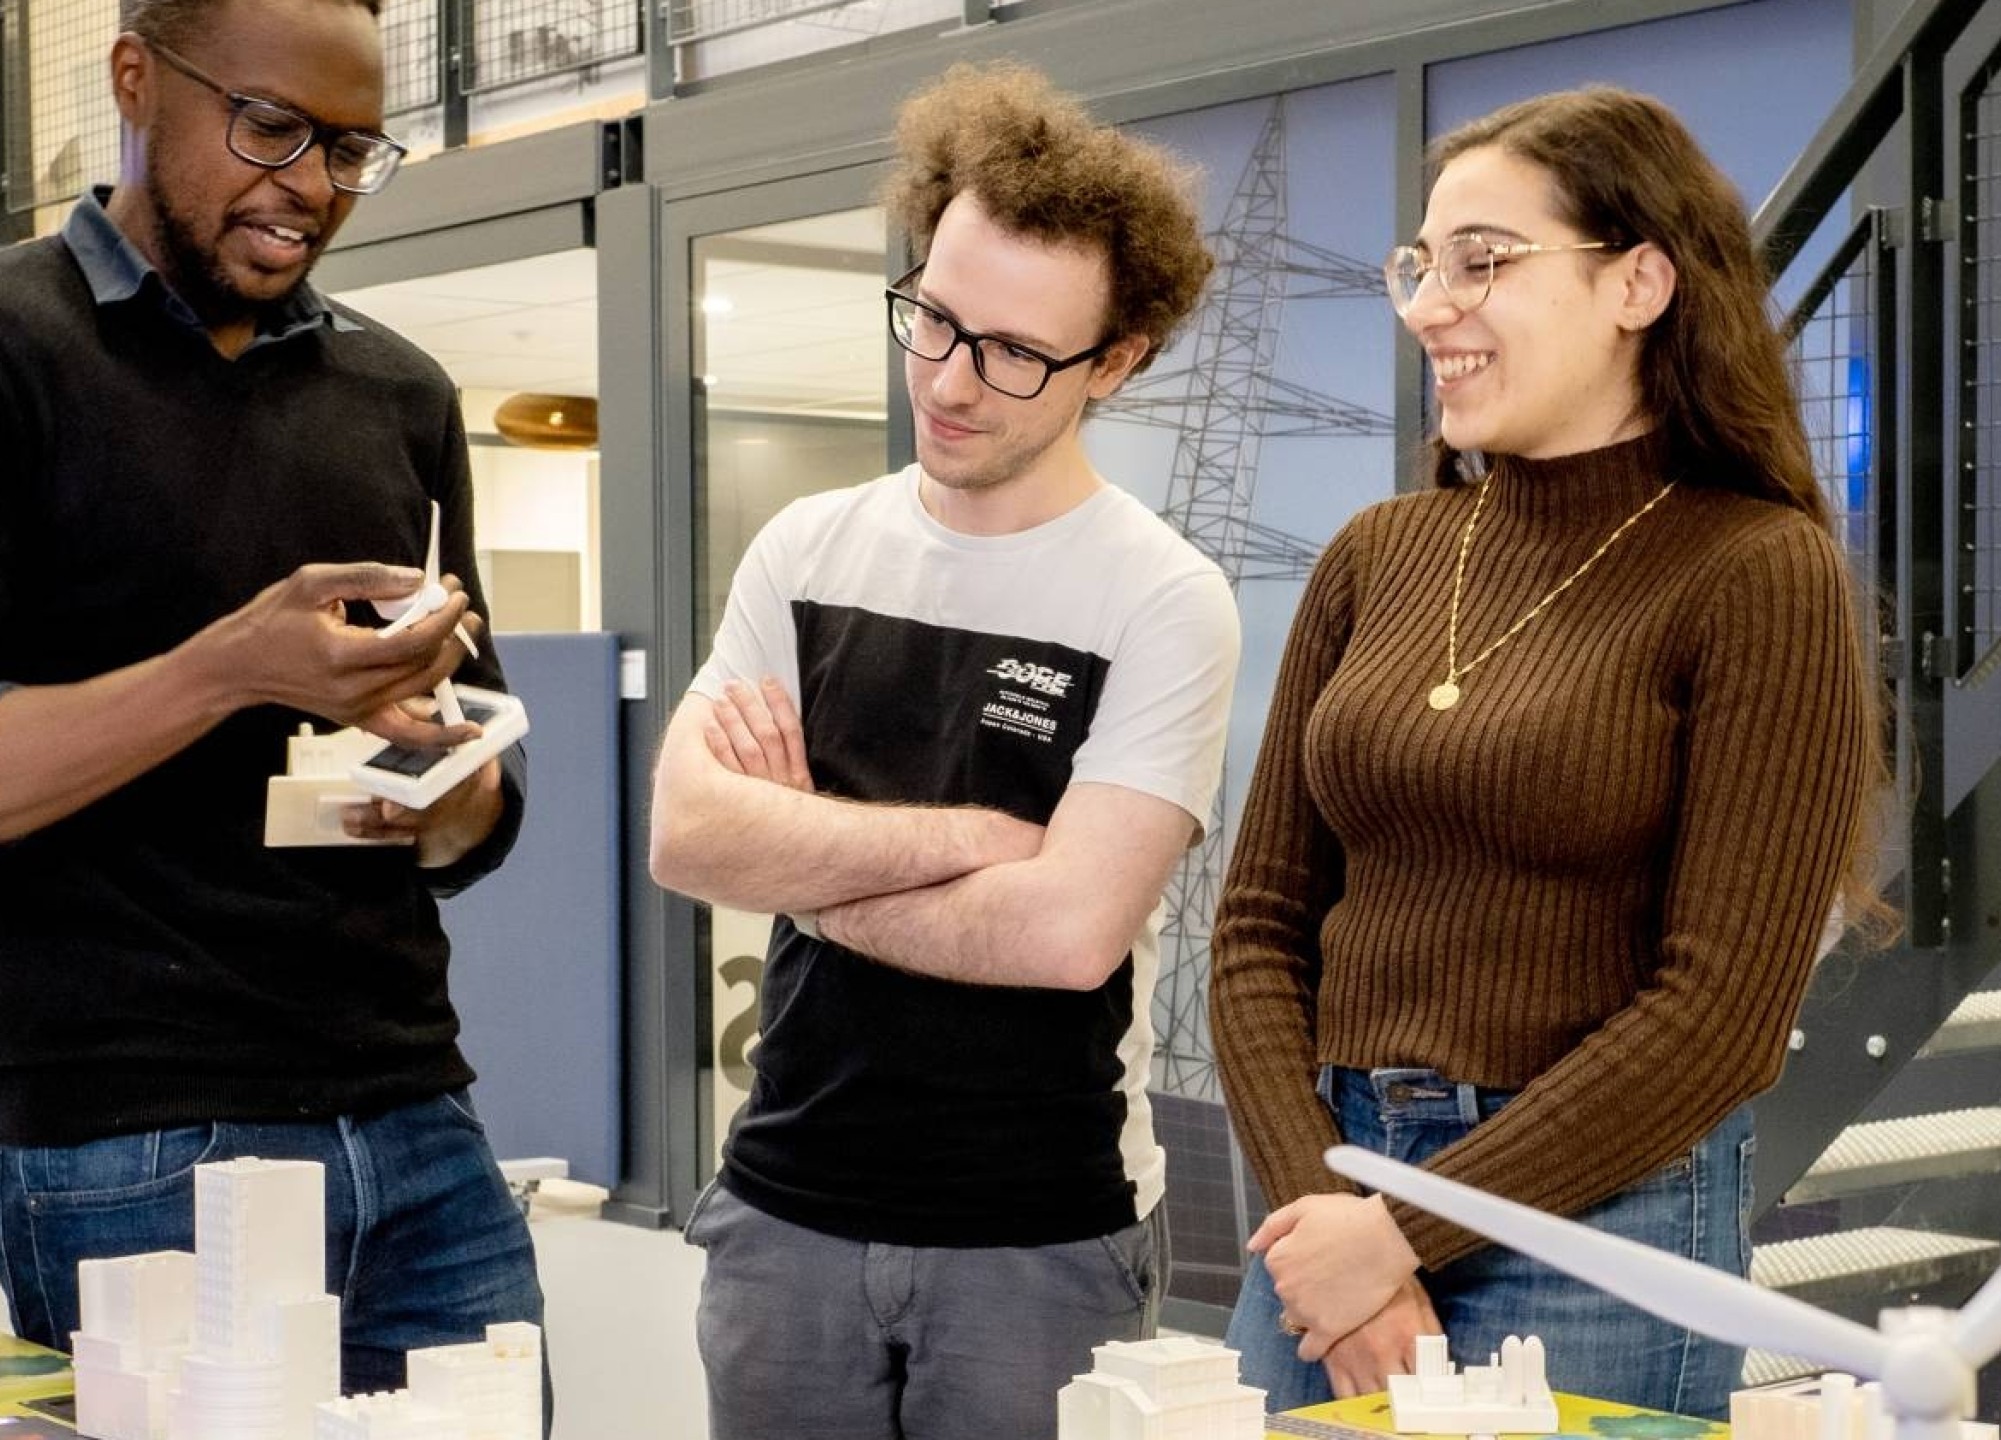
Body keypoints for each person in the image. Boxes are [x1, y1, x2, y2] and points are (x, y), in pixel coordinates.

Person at [1210, 85, 1880, 1419]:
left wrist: (1399, 1234)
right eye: (1418, 264)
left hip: (1599, 1222)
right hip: (1331, 1185)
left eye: (1482, 262)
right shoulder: (1376, 554)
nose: (1425, 306)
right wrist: (1327, 1208)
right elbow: (1256, 928)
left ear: (1637, 281)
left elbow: (1717, 1019)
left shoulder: (1754, 570)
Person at [649, 60, 1240, 1440]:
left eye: (1016, 353)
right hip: (782, 1210)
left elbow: (1061, 939)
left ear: (1118, 359)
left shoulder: (1158, 598)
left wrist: (793, 848)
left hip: (1037, 1240)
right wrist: (966, 845)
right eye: (933, 319)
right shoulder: (806, 548)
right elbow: (688, 837)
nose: (950, 381)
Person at [0, 0, 545, 1411]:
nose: (309, 184)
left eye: (352, 149)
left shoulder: (400, 394)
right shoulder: (16, 354)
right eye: (271, 127)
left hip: (419, 1117)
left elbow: (470, 819)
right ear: (136, 78)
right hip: (127, 1138)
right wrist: (230, 670)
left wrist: (444, 768)